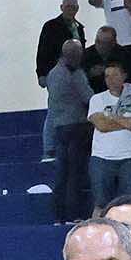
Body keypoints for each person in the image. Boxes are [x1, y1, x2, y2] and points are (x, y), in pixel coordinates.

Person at [85, 58, 131, 211]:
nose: (110, 80)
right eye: (107, 76)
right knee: (101, 204)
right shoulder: (97, 99)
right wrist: (127, 122)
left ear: (124, 76)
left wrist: (112, 117)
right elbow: (102, 125)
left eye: (114, 75)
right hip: (102, 158)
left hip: (130, 157)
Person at [42, 40, 94, 222]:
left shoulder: (52, 74)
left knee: (61, 175)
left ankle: (59, 216)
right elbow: (88, 97)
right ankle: (74, 214)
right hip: (77, 127)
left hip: (59, 128)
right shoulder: (75, 74)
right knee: (74, 174)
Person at [34, 0, 85, 80]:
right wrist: (41, 74)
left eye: (73, 7)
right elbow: (42, 51)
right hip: (55, 73)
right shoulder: (50, 26)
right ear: (61, 7)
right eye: (67, 6)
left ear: (77, 9)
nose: (70, 10)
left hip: (76, 73)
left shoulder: (79, 28)